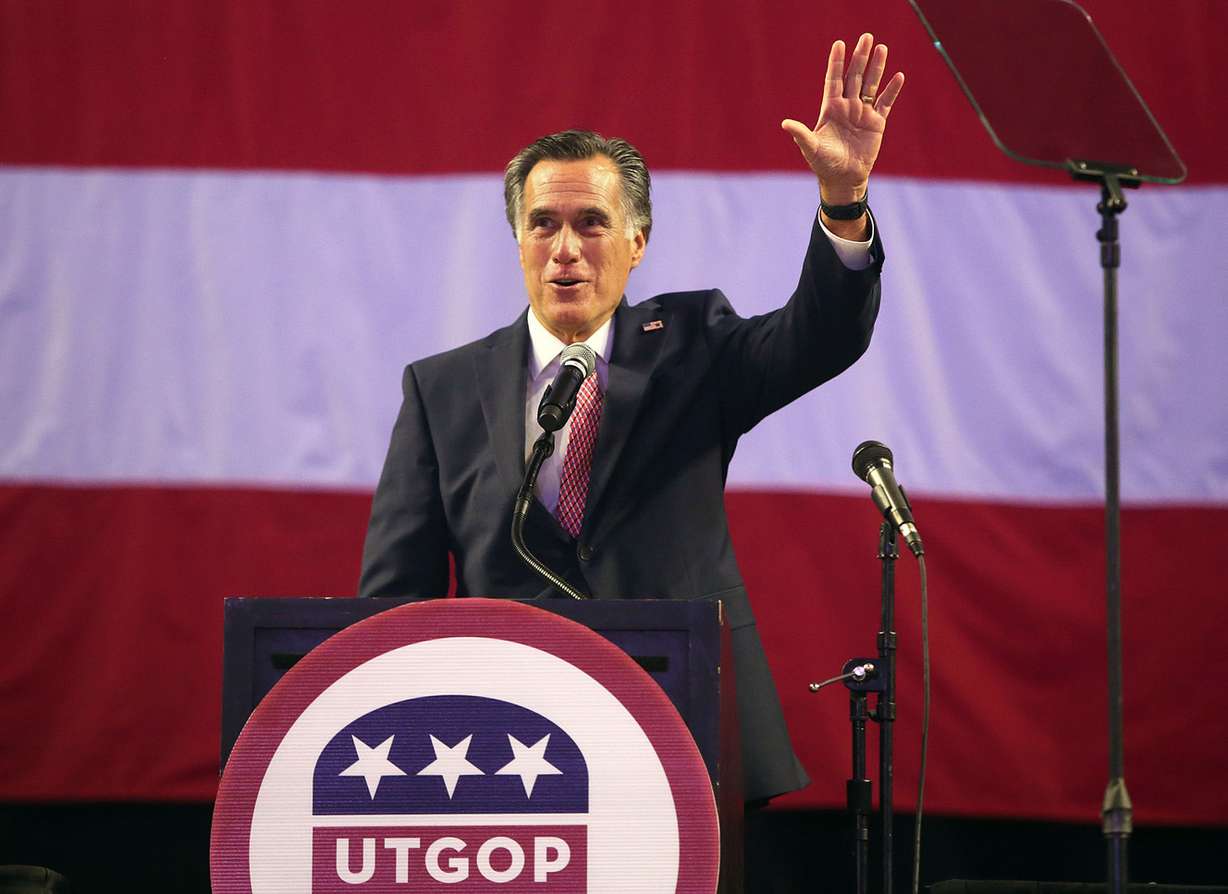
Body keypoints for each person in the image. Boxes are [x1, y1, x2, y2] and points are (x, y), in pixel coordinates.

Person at [359, 34, 905, 804]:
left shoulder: (693, 347)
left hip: (682, 720)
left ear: (637, 242)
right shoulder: (441, 390)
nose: (565, 251)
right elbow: (396, 601)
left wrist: (842, 203)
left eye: (591, 224)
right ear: (518, 241)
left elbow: (818, 338)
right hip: (506, 745)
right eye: (543, 224)